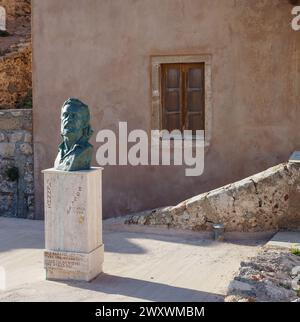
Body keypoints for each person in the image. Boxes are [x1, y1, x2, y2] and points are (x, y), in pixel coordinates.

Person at [54, 98, 93, 171]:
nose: (68, 119)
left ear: (84, 123)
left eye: (74, 116)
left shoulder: (85, 150)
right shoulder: (60, 150)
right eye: (65, 115)